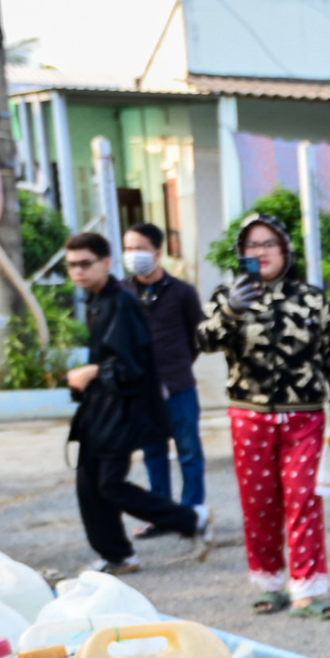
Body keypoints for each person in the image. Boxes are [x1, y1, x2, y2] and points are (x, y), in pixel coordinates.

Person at [195, 214, 330, 620]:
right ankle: (269, 581)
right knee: (259, 505)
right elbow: (204, 340)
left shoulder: (313, 298)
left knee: (304, 500)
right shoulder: (227, 295)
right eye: (252, 245)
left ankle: (307, 590)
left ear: (286, 250)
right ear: (241, 254)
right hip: (250, 417)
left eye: (269, 244)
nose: (260, 252)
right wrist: (230, 310)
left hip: (305, 418)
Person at [62, 231, 211, 574]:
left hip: (125, 410)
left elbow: (132, 363)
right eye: (72, 266)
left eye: (86, 264)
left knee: (111, 483)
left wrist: (92, 372)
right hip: (102, 409)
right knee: (90, 484)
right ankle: (119, 554)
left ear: (105, 262)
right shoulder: (101, 300)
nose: (78, 272)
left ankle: (191, 518)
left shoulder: (122, 301)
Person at [120, 222, 207, 530]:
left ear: (157, 253)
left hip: (179, 386)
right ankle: (161, 516)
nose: (133, 255)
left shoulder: (182, 292)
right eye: (128, 248)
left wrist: (177, 364)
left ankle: (193, 512)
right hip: (142, 391)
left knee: (189, 451)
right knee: (154, 454)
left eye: (140, 249)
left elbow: (197, 336)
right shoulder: (122, 291)